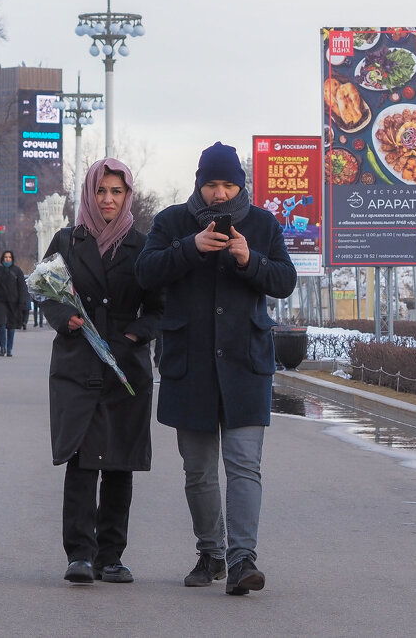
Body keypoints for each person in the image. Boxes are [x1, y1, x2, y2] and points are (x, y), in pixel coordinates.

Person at [135, 142, 296, 595]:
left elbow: (285, 280)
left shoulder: (262, 224)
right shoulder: (171, 222)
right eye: (211, 184)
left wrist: (250, 260)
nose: (220, 194)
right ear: (198, 184)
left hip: (246, 364)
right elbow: (145, 273)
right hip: (191, 366)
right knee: (199, 470)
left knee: (245, 465)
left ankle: (243, 559)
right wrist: (190, 248)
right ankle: (211, 553)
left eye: (228, 184)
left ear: (240, 185)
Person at [41, 158, 163, 585]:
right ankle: (79, 554)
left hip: (125, 370)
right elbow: (43, 290)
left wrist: (134, 335)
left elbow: (160, 309)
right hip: (78, 365)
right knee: (82, 460)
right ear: (89, 194)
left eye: (116, 192)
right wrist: (64, 317)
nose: (107, 199)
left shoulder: (145, 246)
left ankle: (111, 556)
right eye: (100, 191)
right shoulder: (66, 241)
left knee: (118, 464)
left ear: (128, 195)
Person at [0, 250, 28, 357]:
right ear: (2, 259)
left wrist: (22, 301)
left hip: (13, 302)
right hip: (0, 301)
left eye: (9, 257)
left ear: (12, 259)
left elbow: (22, 287)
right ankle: (2, 347)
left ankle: (9, 349)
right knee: (1, 324)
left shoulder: (17, 271)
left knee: (11, 326)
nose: (7, 259)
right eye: (5, 257)